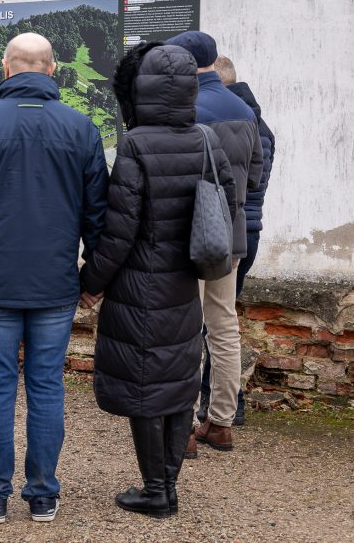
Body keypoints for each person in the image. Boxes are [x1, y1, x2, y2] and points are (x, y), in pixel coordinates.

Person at [0, 33, 109, 525]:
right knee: (47, 386)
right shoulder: (81, 128)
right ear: (51, 71)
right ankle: (42, 495)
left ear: (7, 70)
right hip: (54, 281)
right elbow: (99, 215)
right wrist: (91, 274)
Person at [80, 43, 237, 518]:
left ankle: (155, 491)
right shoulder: (206, 139)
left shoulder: (136, 143)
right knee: (176, 383)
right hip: (185, 282)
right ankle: (167, 485)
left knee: (146, 389)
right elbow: (228, 205)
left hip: (139, 285)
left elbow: (120, 227)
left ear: (141, 90)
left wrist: (92, 278)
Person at [165, 31, 263, 454]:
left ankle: (183, 428)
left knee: (186, 329)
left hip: (190, 236)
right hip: (231, 235)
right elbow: (254, 176)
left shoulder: (186, 109)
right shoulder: (242, 108)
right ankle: (220, 422)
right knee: (223, 326)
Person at [198, 56, 277, 426]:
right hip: (242, 232)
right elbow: (254, 180)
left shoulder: (211, 115)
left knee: (195, 325)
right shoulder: (254, 121)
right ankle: (225, 413)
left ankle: (194, 415)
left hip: (210, 231)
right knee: (224, 322)